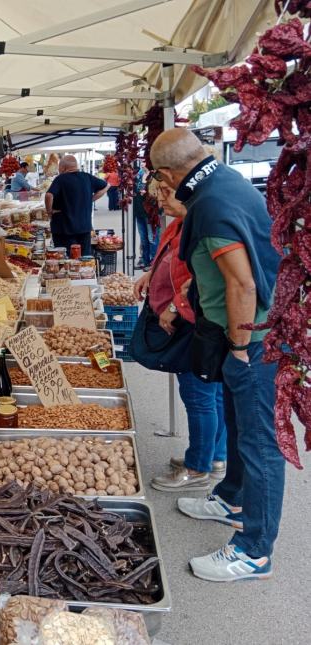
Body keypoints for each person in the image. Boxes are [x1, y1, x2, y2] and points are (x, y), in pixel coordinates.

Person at [150, 128, 282, 582]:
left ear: (167, 173)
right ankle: (231, 497)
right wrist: (194, 285)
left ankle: (254, 550)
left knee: (260, 442)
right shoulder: (224, 181)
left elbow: (242, 282)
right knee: (240, 423)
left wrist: (241, 346)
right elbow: (224, 265)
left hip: (254, 337)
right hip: (245, 331)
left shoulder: (210, 203)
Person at [133, 182, 227, 491]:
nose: (159, 199)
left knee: (200, 395)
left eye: (164, 192)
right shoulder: (180, 224)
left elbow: (200, 279)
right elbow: (171, 262)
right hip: (195, 321)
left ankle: (197, 467)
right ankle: (213, 457)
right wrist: (152, 272)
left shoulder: (201, 229)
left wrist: (175, 306)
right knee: (210, 394)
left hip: (196, 323)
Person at [44, 155, 107, 256]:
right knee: (85, 258)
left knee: (67, 259)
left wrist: (49, 212)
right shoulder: (87, 177)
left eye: (59, 167)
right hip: (84, 227)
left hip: (64, 229)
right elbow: (106, 186)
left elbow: (48, 195)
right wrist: (91, 199)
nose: (58, 170)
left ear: (63, 167)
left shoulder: (61, 179)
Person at [133, 167, 159, 268]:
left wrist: (148, 193)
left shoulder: (155, 176)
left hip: (150, 213)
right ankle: (145, 260)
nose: (143, 163)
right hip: (139, 210)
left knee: (152, 238)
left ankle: (154, 261)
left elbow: (157, 193)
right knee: (143, 238)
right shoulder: (138, 175)